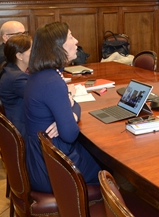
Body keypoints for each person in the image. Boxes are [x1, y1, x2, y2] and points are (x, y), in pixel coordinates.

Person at [24, 21, 100, 193]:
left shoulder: (40, 75)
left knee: (93, 152)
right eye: (71, 37)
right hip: (51, 168)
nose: (76, 41)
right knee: (106, 164)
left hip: (41, 157)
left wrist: (71, 109)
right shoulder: (52, 81)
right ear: (58, 47)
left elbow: (73, 104)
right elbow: (70, 134)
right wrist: (72, 112)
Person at [0, 34, 58, 138]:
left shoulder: (10, 69)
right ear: (19, 56)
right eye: (32, 51)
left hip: (16, 123)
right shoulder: (17, 78)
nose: (36, 54)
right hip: (23, 130)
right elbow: (44, 98)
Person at [0, 21, 26, 90]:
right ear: (5, 37)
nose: (24, 38)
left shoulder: (4, 49)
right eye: (19, 34)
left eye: (24, 34)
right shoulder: (5, 56)